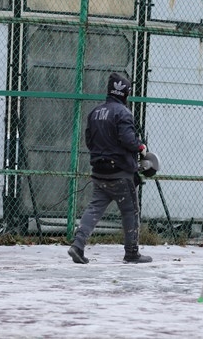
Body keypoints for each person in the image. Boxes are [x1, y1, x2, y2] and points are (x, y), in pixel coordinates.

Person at [68, 72, 153, 264]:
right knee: (130, 211)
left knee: (94, 208)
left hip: (99, 172)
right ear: (124, 92)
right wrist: (141, 147)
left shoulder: (95, 113)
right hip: (120, 174)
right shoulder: (123, 113)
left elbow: (89, 141)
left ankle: (77, 245)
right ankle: (131, 252)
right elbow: (128, 140)